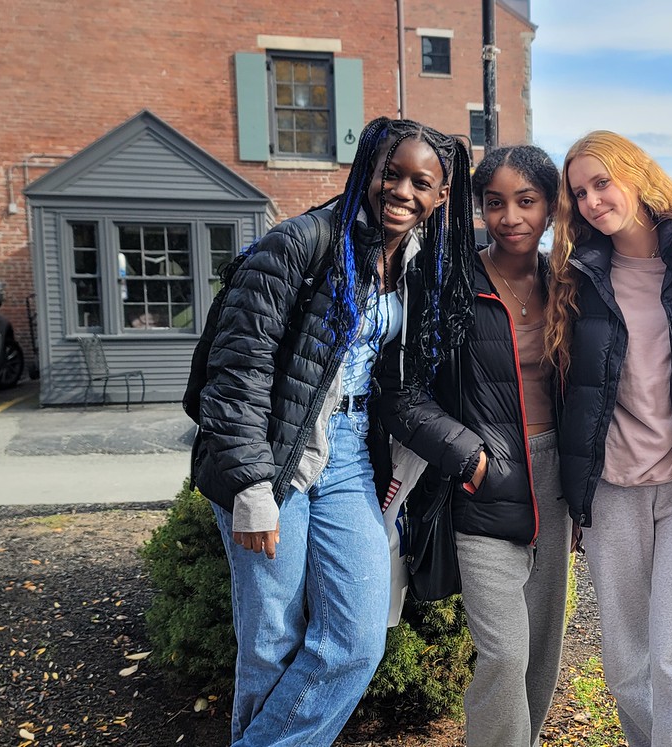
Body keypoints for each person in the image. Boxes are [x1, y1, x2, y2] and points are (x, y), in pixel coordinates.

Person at [192, 117, 475, 744]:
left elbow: (395, 381)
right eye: (391, 174)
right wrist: (251, 488)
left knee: (355, 639)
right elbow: (238, 368)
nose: (402, 191)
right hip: (272, 453)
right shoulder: (301, 243)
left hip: (347, 454)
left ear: (441, 196)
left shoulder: (413, 263)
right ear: (366, 172)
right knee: (271, 640)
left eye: (420, 182)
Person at [375, 144, 568, 747]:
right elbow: (397, 389)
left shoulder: (568, 283)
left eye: (526, 201)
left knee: (542, 651)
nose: (510, 216)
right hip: (481, 483)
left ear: (551, 208)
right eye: (494, 203)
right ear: (477, 208)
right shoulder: (451, 281)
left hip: (554, 480)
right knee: (505, 654)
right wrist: (468, 455)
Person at [544, 131, 672, 746]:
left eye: (603, 182)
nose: (594, 200)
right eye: (580, 193)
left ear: (634, 173)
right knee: (628, 665)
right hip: (611, 491)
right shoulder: (577, 275)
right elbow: (564, 381)